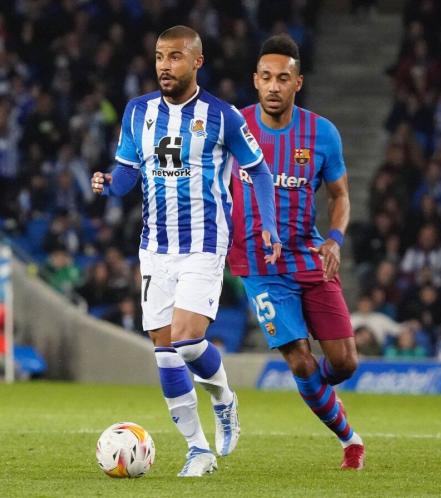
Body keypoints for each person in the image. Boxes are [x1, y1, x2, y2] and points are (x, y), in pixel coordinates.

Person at [91, 25, 280, 477]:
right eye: (159, 56)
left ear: (197, 61)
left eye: (175, 57)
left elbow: (261, 172)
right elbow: (126, 175)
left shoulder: (223, 116)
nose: (164, 65)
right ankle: (198, 449)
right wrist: (106, 185)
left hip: (204, 244)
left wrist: (270, 227)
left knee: (187, 338)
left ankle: (223, 397)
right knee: (165, 353)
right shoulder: (138, 112)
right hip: (155, 249)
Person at [227, 34, 365, 470]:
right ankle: (350, 439)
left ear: (298, 82)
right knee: (301, 360)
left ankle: (318, 392)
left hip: (309, 254)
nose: (273, 86)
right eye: (265, 77)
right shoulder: (233, 127)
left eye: (282, 78)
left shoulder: (322, 134)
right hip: (259, 265)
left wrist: (336, 239)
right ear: (255, 80)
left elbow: (340, 196)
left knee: (343, 364)